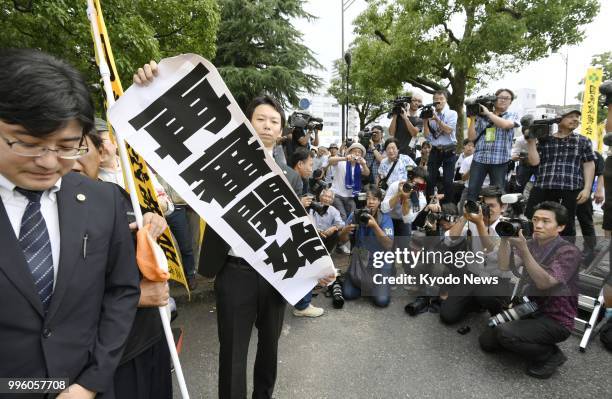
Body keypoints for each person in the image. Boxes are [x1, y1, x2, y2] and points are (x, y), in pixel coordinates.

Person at [0, 48, 140, 398]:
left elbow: (121, 291)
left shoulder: (102, 200)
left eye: (66, 146)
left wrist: (90, 382)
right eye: (29, 144)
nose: (48, 162)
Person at [73, 126, 172, 398]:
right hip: (98, 358)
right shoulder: (40, 215)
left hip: (148, 339)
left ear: (99, 151)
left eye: (79, 148)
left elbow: (138, 256)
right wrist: (136, 296)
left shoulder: (116, 195)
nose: (71, 160)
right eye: (58, 148)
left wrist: (152, 226)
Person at [480, 201, 581, 379]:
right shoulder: (532, 243)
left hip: (556, 319)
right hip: (530, 308)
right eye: (535, 220)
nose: (538, 225)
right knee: (487, 341)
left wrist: (524, 249)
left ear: (561, 227)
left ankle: (551, 355)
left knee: (505, 334)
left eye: (545, 221)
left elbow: (545, 283)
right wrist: (505, 238)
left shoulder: (568, 251)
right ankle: (524, 338)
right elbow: (503, 267)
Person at [439, 186, 513, 325]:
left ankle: (499, 310)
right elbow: (449, 240)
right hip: (473, 276)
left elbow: (491, 252)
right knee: (447, 315)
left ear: (503, 207)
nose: (487, 210)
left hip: (496, 280)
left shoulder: (507, 226)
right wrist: (464, 217)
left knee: (485, 295)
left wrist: (479, 224)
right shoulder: (474, 220)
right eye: (484, 205)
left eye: (491, 206)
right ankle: (476, 303)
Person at [525, 109, 595, 237]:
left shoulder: (583, 140)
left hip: (571, 188)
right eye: (571, 116)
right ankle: (533, 251)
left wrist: (587, 189)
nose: (575, 119)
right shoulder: (545, 140)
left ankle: (567, 253)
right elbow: (534, 162)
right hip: (544, 186)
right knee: (533, 220)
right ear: (558, 120)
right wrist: (530, 142)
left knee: (567, 225)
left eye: (578, 117)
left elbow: (589, 164)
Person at [339, 186, 394, 307]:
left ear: (379, 201)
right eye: (368, 198)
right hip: (360, 261)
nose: (371, 202)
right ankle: (369, 286)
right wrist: (345, 231)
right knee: (348, 294)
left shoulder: (385, 218)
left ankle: (379, 285)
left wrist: (375, 226)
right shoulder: (356, 215)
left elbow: (389, 245)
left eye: (374, 199)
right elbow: (342, 241)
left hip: (379, 263)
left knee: (381, 301)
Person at [466, 89, 521, 200]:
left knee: (497, 193)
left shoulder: (512, 114)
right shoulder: (481, 116)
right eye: (500, 97)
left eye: (507, 98)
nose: (503, 100)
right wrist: (472, 118)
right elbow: (471, 138)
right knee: (472, 190)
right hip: (480, 158)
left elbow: (505, 125)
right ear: (494, 99)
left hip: (500, 160)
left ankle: (495, 215)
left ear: (511, 102)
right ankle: (471, 214)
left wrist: (488, 113)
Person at [423, 90, 458, 202]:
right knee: (430, 179)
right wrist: (425, 121)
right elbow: (428, 137)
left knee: (448, 181)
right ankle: (429, 205)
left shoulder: (452, 113)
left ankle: (448, 206)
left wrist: (436, 119)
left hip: (449, 150)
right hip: (435, 150)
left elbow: (448, 130)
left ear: (446, 100)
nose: (438, 101)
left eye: (441, 99)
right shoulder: (430, 116)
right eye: (435, 99)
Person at [327, 142, 371, 221]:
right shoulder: (341, 161)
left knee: (353, 216)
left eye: (359, 152)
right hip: (336, 194)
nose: (357, 153)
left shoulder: (359, 166)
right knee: (342, 216)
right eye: (355, 151)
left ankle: (349, 232)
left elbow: (367, 173)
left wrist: (364, 164)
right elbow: (330, 160)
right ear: (350, 152)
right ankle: (342, 232)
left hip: (350, 196)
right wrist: (345, 158)